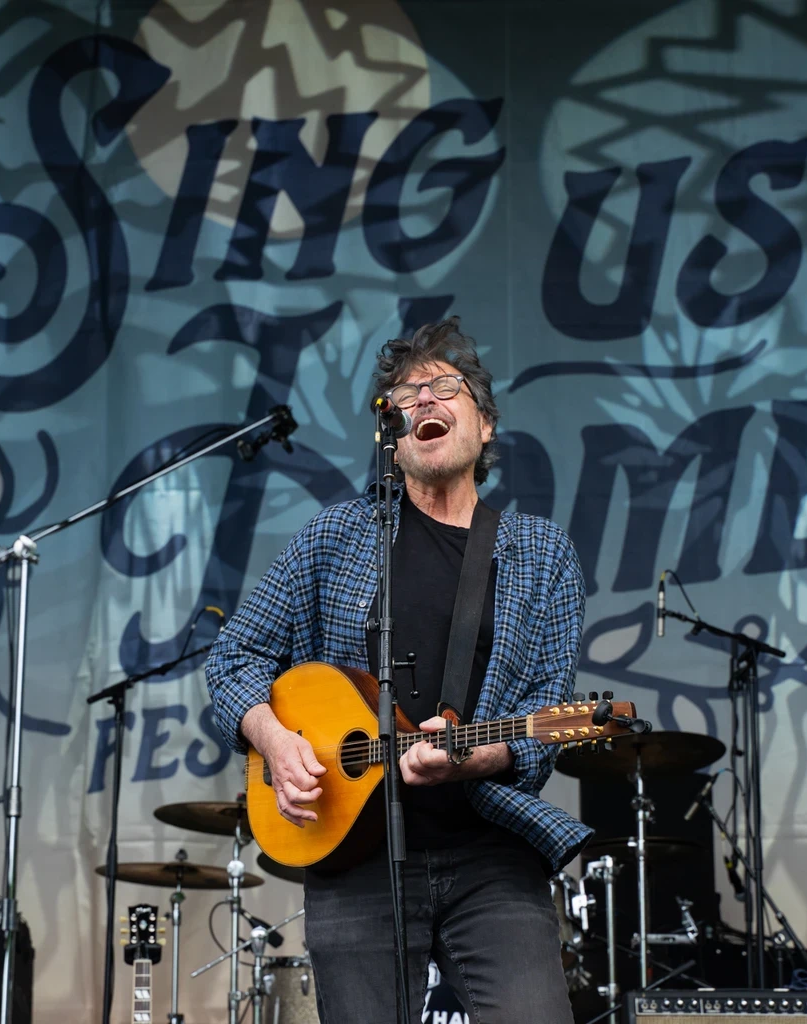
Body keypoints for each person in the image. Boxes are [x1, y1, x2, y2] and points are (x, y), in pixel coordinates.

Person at [205, 316, 590, 1023]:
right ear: (393, 434)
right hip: (353, 852)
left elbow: (544, 712)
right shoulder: (336, 536)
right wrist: (274, 739)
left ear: (485, 426)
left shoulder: (542, 554)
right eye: (406, 396)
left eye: (446, 387)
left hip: (490, 853)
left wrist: (476, 758)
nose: (424, 401)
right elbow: (235, 656)